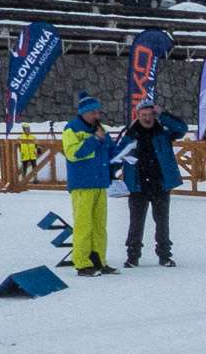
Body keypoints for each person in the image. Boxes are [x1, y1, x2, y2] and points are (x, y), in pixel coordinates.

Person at [114, 101, 187, 267]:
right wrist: (111, 173)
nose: (147, 118)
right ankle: (133, 256)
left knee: (162, 222)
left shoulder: (163, 131)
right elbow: (118, 155)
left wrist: (163, 115)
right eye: (144, 115)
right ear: (138, 115)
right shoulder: (130, 133)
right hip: (137, 184)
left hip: (160, 183)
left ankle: (164, 255)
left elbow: (182, 129)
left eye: (150, 115)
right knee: (136, 223)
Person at [60, 94, 116, 276]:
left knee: (100, 225)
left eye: (98, 111)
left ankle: (99, 259)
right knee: (84, 224)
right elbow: (73, 154)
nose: (96, 115)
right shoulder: (72, 129)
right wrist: (94, 140)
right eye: (93, 112)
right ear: (83, 113)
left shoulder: (101, 129)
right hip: (82, 184)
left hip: (100, 183)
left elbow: (110, 152)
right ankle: (82, 262)